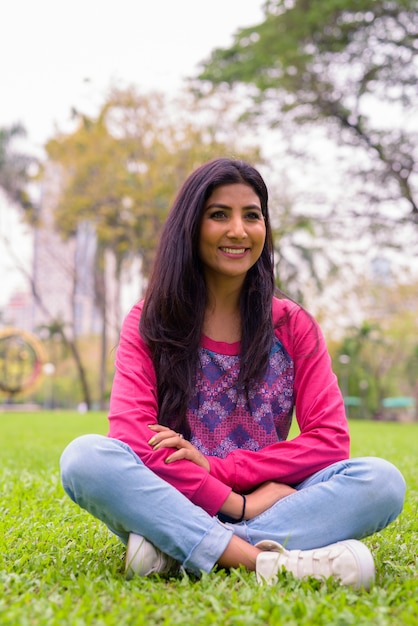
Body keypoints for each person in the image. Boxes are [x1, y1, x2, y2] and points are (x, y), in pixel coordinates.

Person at [60, 157, 405, 589]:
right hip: (175, 496)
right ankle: (260, 559)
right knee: (85, 458)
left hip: (272, 502)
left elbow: (330, 441)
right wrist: (234, 503)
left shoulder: (292, 325)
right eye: (219, 214)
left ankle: (176, 551)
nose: (238, 231)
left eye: (252, 216)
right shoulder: (150, 321)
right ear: (191, 226)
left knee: (382, 482)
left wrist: (227, 473)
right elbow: (132, 436)